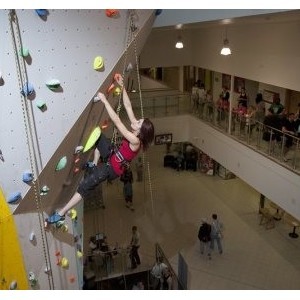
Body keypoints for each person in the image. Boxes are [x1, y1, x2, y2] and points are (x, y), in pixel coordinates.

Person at [46, 75, 155, 224]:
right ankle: (94, 163)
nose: (136, 120)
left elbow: (117, 121)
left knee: (85, 186)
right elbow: (128, 106)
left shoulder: (136, 140)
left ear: (140, 131)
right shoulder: (137, 131)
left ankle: (61, 213)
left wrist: (104, 101)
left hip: (112, 170)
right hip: (113, 155)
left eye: (139, 122)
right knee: (97, 136)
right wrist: (122, 86)